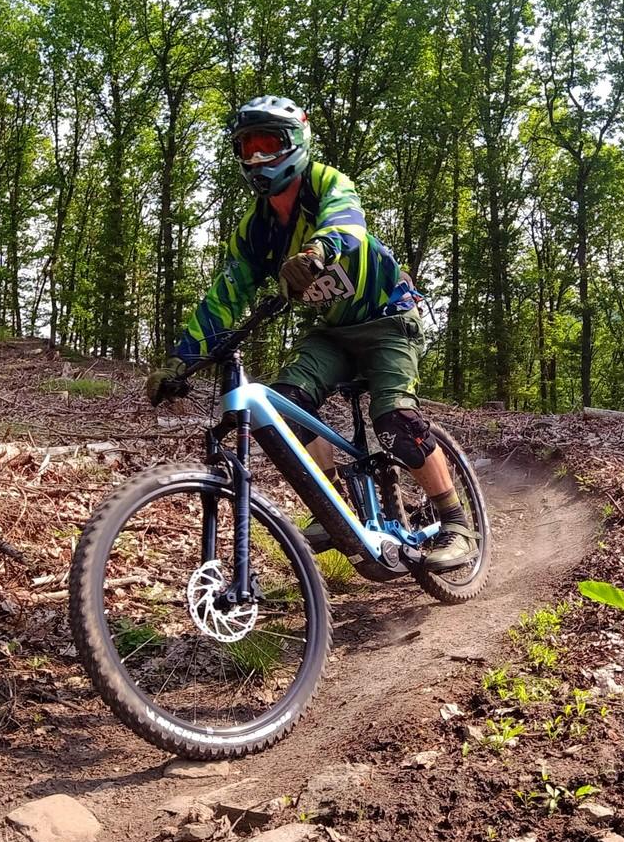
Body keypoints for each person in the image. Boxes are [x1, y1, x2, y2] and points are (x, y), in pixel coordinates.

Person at [146, 96, 477, 571]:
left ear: (295, 144)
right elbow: (226, 295)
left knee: (395, 420)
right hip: (332, 332)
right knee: (285, 407)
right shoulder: (256, 229)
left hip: (389, 319)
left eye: (269, 145)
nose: (258, 158)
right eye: (248, 148)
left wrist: (318, 251)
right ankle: (334, 509)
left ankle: (455, 524)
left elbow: (348, 223)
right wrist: (182, 359)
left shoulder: (327, 184)